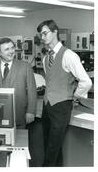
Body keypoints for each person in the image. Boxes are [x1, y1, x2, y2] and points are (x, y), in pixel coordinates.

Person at [37, 19, 92, 167]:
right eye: (40, 35)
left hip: (61, 107)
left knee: (52, 147)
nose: (42, 38)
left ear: (55, 32)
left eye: (45, 33)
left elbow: (86, 81)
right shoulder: (45, 58)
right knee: (51, 145)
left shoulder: (69, 55)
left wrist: (75, 97)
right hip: (47, 106)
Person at [0, 37, 37, 129]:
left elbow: (32, 91)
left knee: (20, 141)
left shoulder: (25, 67)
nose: (11, 51)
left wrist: (31, 111)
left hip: (19, 115)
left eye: (12, 48)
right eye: (7, 49)